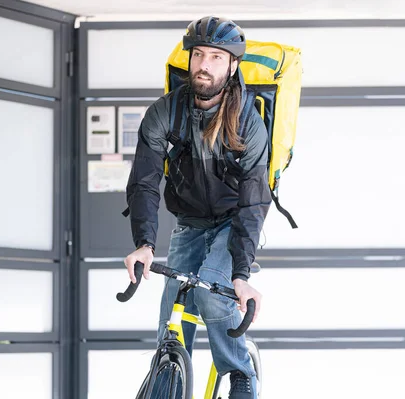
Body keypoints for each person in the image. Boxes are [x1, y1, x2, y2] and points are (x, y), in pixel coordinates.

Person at [123, 16, 269, 399]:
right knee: (171, 317)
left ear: (232, 65)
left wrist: (240, 273)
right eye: (199, 54)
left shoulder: (247, 123)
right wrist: (145, 243)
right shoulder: (165, 112)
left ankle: (240, 373)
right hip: (188, 222)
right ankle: (169, 376)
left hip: (232, 223)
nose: (204, 64)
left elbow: (254, 199)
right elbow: (144, 181)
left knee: (210, 292)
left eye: (216, 57)